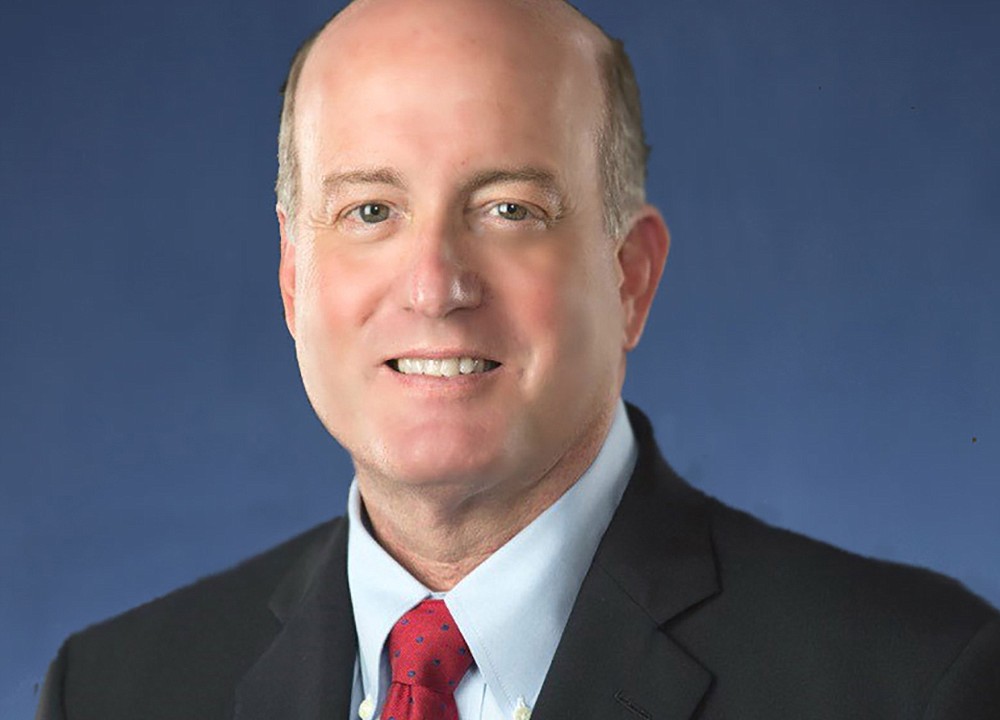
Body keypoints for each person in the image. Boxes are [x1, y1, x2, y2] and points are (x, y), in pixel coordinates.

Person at [36, 0, 999, 718]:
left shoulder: (915, 682)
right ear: (294, 279)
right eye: (370, 210)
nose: (434, 286)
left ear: (630, 277)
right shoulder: (114, 692)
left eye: (509, 209)